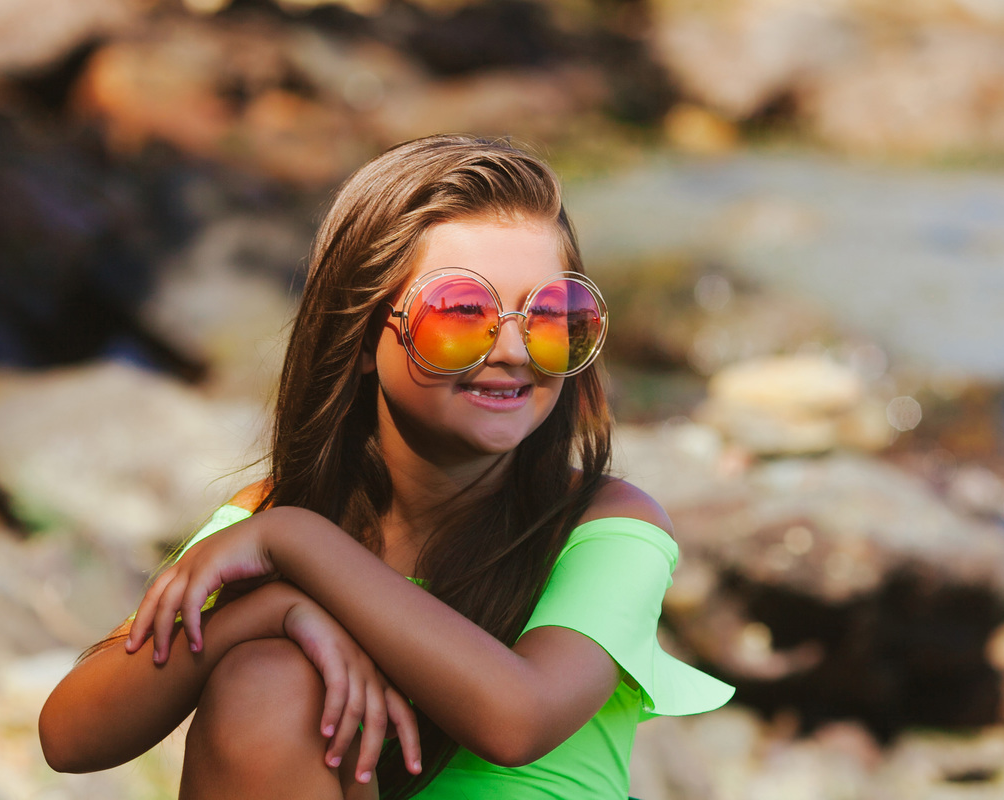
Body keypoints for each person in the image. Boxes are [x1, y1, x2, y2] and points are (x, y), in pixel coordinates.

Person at [38, 134, 734, 799]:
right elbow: (71, 737)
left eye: (553, 314)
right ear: (366, 335)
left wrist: (299, 546)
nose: (516, 351)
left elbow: (519, 719)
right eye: (462, 312)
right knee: (267, 677)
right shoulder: (274, 510)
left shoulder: (605, 523)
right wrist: (275, 609)